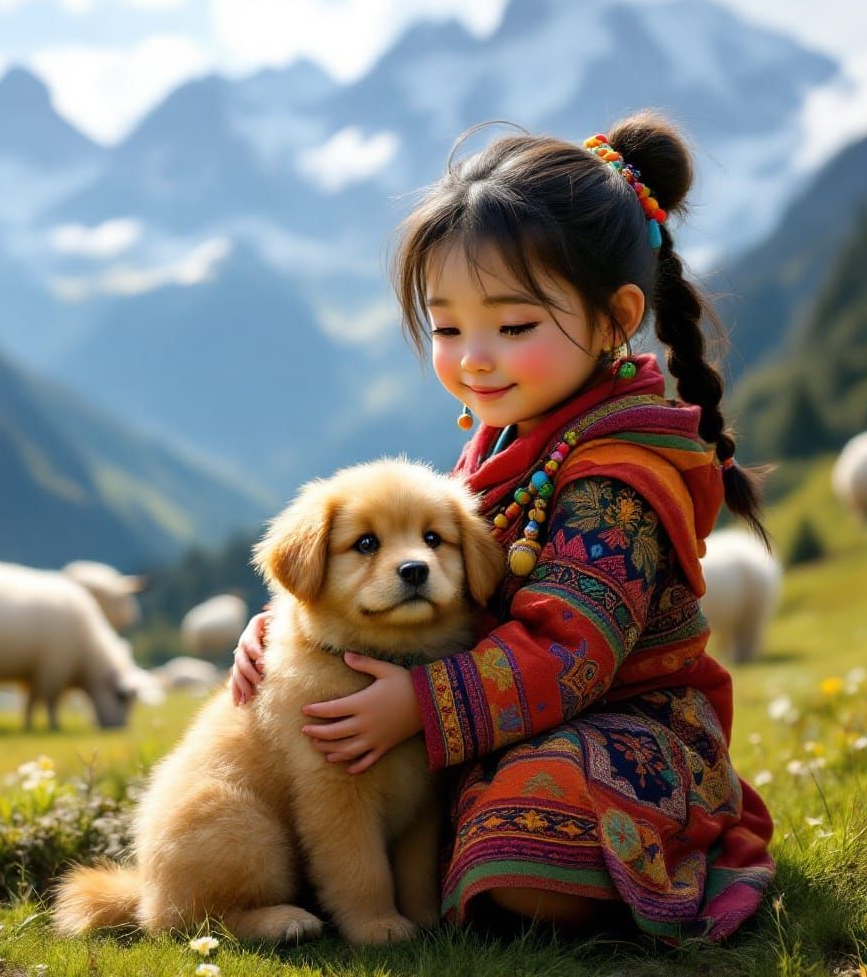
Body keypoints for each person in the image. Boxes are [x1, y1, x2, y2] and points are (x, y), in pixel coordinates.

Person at [230, 111, 775, 943]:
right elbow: (410, 569)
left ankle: (640, 850)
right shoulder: (503, 442)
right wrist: (286, 624)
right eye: (447, 328)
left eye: (513, 326)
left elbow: (571, 650)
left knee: (522, 839)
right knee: (372, 786)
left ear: (613, 319)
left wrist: (421, 704)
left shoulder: (617, 477)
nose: (474, 357)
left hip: (626, 730)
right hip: (502, 722)